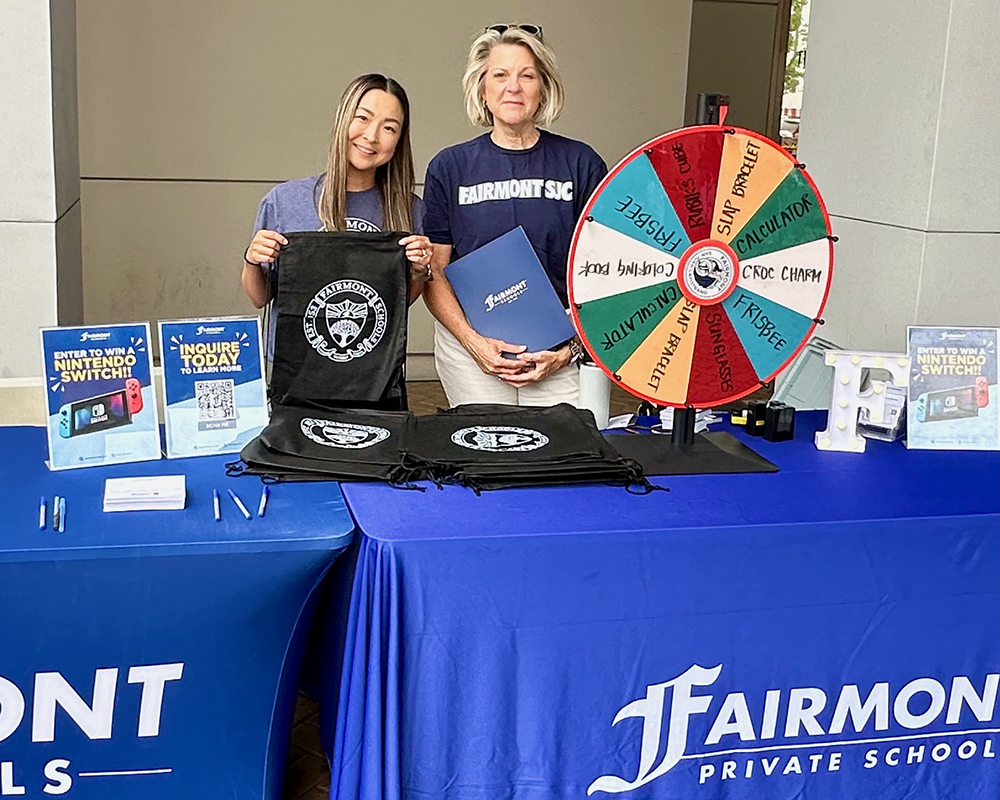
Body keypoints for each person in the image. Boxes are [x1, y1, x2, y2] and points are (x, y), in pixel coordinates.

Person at [422, 25, 607, 407]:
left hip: (561, 347)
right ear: (482, 88)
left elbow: (605, 272)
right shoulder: (449, 167)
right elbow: (434, 270)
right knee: (487, 441)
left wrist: (568, 350)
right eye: (500, 75)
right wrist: (474, 344)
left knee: (570, 441)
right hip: (472, 349)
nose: (513, 87)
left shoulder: (581, 163)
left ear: (544, 87)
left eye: (527, 76)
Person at [241, 73, 433, 363]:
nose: (371, 136)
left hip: (373, 372)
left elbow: (399, 304)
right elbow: (259, 298)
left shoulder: (410, 209)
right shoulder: (284, 201)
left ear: (399, 141)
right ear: (342, 119)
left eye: (389, 128)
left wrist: (419, 270)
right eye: (363, 118)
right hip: (296, 369)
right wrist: (252, 259)